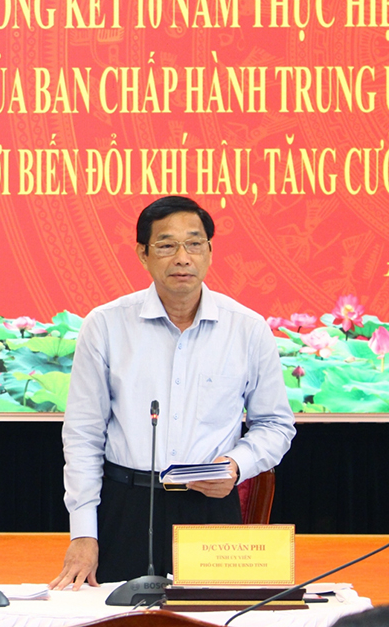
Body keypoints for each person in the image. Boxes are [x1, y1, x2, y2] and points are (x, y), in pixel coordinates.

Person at [51, 196, 296, 590]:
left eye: (194, 244)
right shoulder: (106, 325)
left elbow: (276, 425)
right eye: (166, 245)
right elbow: (82, 434)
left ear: (210, 252)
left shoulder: (247, 329)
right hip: (125, 507)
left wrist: (235, 465)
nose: (182, 257)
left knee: (214, 618)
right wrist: (83, 532)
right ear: (143, 255)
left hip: (210, 508)